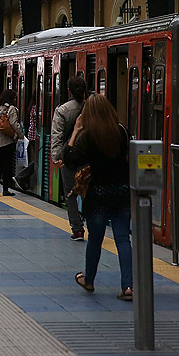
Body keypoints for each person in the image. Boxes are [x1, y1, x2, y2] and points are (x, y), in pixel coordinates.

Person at [64, 94, 133, 301]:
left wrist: (75, 132)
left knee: (95, 239)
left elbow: (69, 160)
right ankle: (127, 287)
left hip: (97, 194)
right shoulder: (121, 131)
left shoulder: (88, 135)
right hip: (121, 192)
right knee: (122, 239)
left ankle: (89, 280)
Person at [51, 75, 87, 241]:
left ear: (69, 91)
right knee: (89, 191)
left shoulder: (62, 110)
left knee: (71, 194)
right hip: (89, 157)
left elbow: (57, 136)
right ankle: (92, 223)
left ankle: (78, 229)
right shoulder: (92, 107)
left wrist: (57, 158)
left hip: (69, 157)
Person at [0, 89, 22, 196]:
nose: (15, 99)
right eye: (14, 97)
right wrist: (20, 135)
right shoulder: (11, 109)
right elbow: (14, 124)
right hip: (7, 141)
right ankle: (5, 189)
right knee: (7, 165)